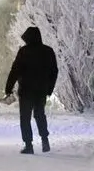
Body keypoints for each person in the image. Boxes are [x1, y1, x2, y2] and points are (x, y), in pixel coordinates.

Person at [5, 26, 58, 154]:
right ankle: (45, 140)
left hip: (26, 90)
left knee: (25, 118)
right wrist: (49, 88)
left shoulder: (24, 51)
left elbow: (15, 70)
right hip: (41, 91)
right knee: (40, 115)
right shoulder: (48, 51)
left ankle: (29, 145)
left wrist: (8, 88)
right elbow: (54, 71)